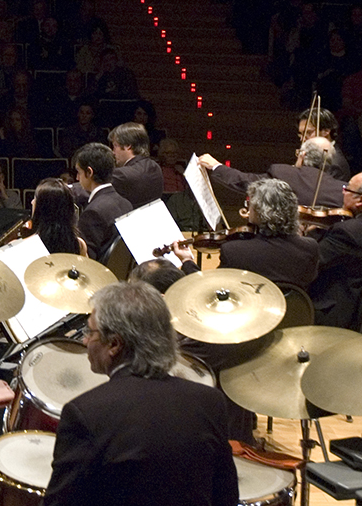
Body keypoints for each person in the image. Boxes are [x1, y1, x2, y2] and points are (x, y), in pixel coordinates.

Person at [45, 282, 238, 506]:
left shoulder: (86, 413)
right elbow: (226, 497)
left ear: (114, 344)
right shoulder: (209, 401)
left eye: (90, 332)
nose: (84, 340)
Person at [172, 178, 319, 291]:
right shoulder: (310, 248)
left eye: (250, 205)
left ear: (261, 212)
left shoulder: (234, 251)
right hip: (296, 319)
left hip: (253, 321)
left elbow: (209, 291)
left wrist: (187, 261)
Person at [199, 137, 345, 207]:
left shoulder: (285, 174)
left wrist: (216, 166)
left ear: (303, 155)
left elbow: (245, 181)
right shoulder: (342, 190)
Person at [308, 172, 362, 329]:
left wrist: (308, 235)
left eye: (347, 189)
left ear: (359, 200)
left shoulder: (348, 232)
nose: (343, 192)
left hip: (337, 314)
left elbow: (312, 262)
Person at [73, 143, 133, 261]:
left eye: (79, 172)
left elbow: (86, 262)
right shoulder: (126, 203)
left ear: (89, 172)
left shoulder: (92, 213)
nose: (77, 178)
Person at [108, 122, 164, 208]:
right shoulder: (155, 166)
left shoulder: (121, 174)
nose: (113, 152)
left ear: (128, 146)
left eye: (115, 146)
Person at [29, 178, 87, 256]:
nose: (32, 202)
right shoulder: (79, 245)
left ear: (43, 209)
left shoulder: (26, 246)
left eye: (36, 199)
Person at [296, 107, 351, 181]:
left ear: (326, 131)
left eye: (308, 132)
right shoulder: (311, 154)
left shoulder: (335, 164)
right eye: (301, 134)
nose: (302, 139)